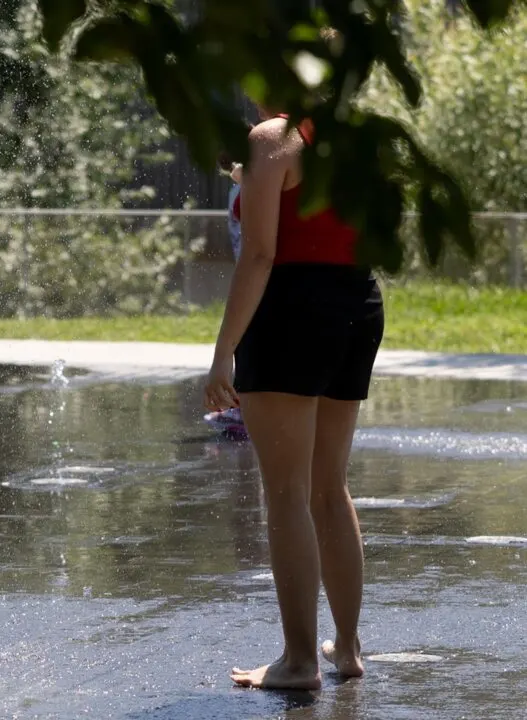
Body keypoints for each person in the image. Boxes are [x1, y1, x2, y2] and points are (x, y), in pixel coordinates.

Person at [202, 107, 385, 690]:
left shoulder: (272, 138)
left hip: (291, 310)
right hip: (357, 302)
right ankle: (347, 649)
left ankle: (299, 661)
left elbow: (259, 254)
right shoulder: (351, 136)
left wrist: (223, 349)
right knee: (330, 488)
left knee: (286, 493)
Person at [203, 157, 248, 440]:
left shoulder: (247, 184)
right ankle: (242, 406)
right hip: (252, 269)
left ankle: (244, 409)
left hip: (257, 272)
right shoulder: (240, 186)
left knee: (247, 339)